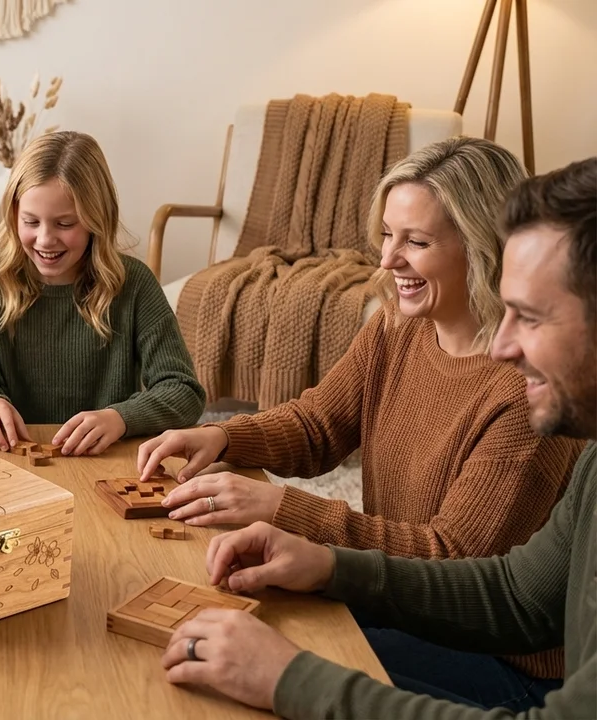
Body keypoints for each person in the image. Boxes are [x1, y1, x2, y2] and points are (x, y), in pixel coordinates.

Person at [137, 137, 584, 696]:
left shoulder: (531, 390)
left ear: (483, 246)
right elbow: (320, 424)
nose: (387, 261)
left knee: (270, 649)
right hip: (404, 605)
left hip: (500, 662)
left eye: (415, 242)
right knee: (249, 614)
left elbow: (452, 562)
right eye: (386, 236)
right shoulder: (398, 325)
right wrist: (222, 435)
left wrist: (284, 508)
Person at [0, 131, 205, 455]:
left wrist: (121, 418)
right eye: (30, 221)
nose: (44, 239)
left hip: (106, 458)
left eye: (65, 224)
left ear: (96, 219)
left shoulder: (136, 284)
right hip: (14, 460)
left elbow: (184, 392)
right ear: (14, 216)